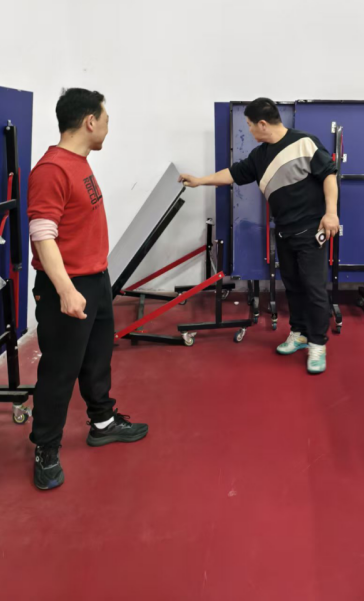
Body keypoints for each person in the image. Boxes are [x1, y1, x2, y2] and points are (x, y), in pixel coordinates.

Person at [28, 88, 148, 491]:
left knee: (97, 357)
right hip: (67, 284)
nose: (108, 128)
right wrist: (65, 289)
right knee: (59, 369)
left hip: (94, 279)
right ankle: (46, 447)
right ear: (90, 121)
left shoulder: (77, 163)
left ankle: (102, 421)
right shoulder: (52, 170)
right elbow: (42, 234)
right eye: (106, 121)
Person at [180, 98, 339, 375]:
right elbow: (232, 174)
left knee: (313, 288)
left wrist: (331, 213)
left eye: (250, 125)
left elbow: (328, 175)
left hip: (311, 231)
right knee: (293, 286)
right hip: (285, 231)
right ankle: (300, 333)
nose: (250, 130)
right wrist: (200, 180)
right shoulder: (260, 156)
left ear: (262, 124)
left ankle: (317, 343)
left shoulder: (304, 143)